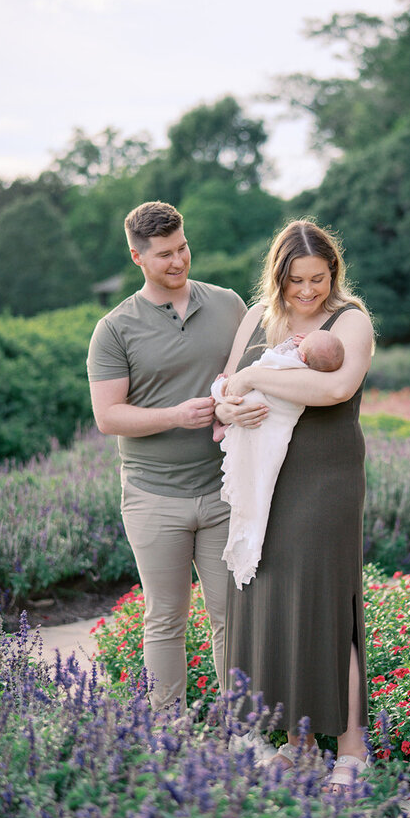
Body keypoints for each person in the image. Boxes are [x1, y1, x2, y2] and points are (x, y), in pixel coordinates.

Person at [215, 219, 374, 792]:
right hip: (264, 481)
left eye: (318, 278)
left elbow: (336, 389)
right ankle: (299, 743)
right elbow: (227, 387)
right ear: (277, 276)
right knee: (277, 604)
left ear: (333, 272)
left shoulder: (350, 319)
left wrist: (257, 375)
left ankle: (352, 751)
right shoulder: (257, 316)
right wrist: (228, 408)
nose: (307, 291)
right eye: (296, 280)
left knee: (328, 608)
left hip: (323, 480)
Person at [87, 200, 246, 713]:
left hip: (225, 490)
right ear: (137, 257)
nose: (178, 262)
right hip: (153, 497)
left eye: (182, 249)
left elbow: (253, 376)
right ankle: (167, 737)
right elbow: (109, 416)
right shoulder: (114, 329)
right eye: (163, 256)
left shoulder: (229, 305)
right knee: (165, 619)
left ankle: (243, 730)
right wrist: (176, 416)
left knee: (233, 617)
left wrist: (234, 405)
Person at [211, 329, 345, 589]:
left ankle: (223, 422)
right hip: (255, 408)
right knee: (257, 479)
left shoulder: (291, 364)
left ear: (302, 352)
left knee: (224, 390)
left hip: (270, 411)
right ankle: (225, 424)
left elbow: (268, 363)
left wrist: (287, 347)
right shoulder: (309, 363)